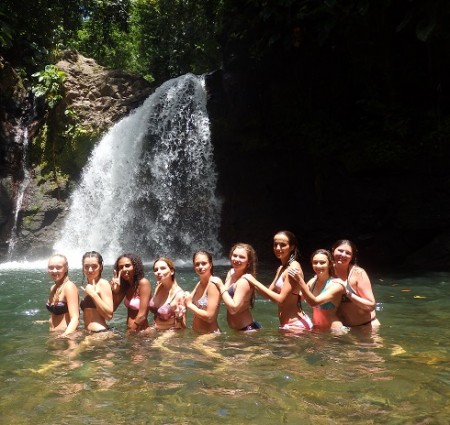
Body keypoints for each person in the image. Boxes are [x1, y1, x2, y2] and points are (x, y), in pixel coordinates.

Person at [244, 231, 313, 331]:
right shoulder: (281, 268)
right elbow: (269, 293)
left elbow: (280, 300)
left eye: (283, 245)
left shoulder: (293, 268)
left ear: (292, 247)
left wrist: (254, 282)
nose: (278, 248)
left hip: (296, 325)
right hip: (287, 325)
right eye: (275, 244)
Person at [289, 249, 345, 331]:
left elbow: (314, 302)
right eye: (315, 262)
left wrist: (300, 280)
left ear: (330, 264)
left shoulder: (336, 285)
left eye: (322, 263)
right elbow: (297, 298)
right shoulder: (312, 282)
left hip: (334, 331)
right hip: (317, 330)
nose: (318, 266)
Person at [212, 243, 261, 331]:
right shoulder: (231, 272)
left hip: (247, 330)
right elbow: (223, 297)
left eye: (242, 257)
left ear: (248, 262)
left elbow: (234, 309)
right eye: (235, 255)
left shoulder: (244, 281)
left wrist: (220, 285)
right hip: (237, 330)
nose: (237, 259)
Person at [332, 239, 380, 327]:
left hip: (367, 326)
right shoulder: (326, 271)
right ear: (333, 250)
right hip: (344, 330)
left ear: (352, 256)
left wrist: (347, 293)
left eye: (348, 253)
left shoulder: (358, 273)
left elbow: (371, 305)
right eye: (340, 250)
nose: (343, 255)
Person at [111, 253, 152, 332]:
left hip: (141, 332)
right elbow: (112, 308)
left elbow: (142, 316)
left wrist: (130, 333)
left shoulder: (143, 283)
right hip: (131, 331)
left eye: (127, 266)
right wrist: (115, 290)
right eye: (121, 267)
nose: (124, 269)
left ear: (135, 266)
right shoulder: (126, 286)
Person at [184, 251, 222, 334]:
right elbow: (187, 300)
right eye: (197, 264)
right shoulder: (199, 284)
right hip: (198, 334)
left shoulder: (213, 284)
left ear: (210, 265)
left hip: (210, 335)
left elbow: (210, 317)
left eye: (204, 263)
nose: (200, 267)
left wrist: (190, 305)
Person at [80, 251, 113, 332]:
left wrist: (93, 294)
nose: (90, 270)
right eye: (86, 266)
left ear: (101, 267)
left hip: (100, 333)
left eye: (94, 266)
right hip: (89, 333)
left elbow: (109, 316)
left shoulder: (103, 284)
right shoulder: (87, 285)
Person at [46, 253, 79, 336]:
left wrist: (64, 335)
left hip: (67, 335)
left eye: (58, 267)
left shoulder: (69, 287)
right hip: (54, 334)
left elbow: (75, 318)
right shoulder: (53, 288)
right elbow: (55, 313)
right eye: (51, 267)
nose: (54, 271)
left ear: (66, 268)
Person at [149, 257, 186, 331]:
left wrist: (179, 318)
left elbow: (182, 327)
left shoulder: (179, 295)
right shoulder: (159, 287)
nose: (158, 272)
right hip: (154, 329)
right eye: (156, 270)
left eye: (163, 268)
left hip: (168, 334)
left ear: (172, 271)